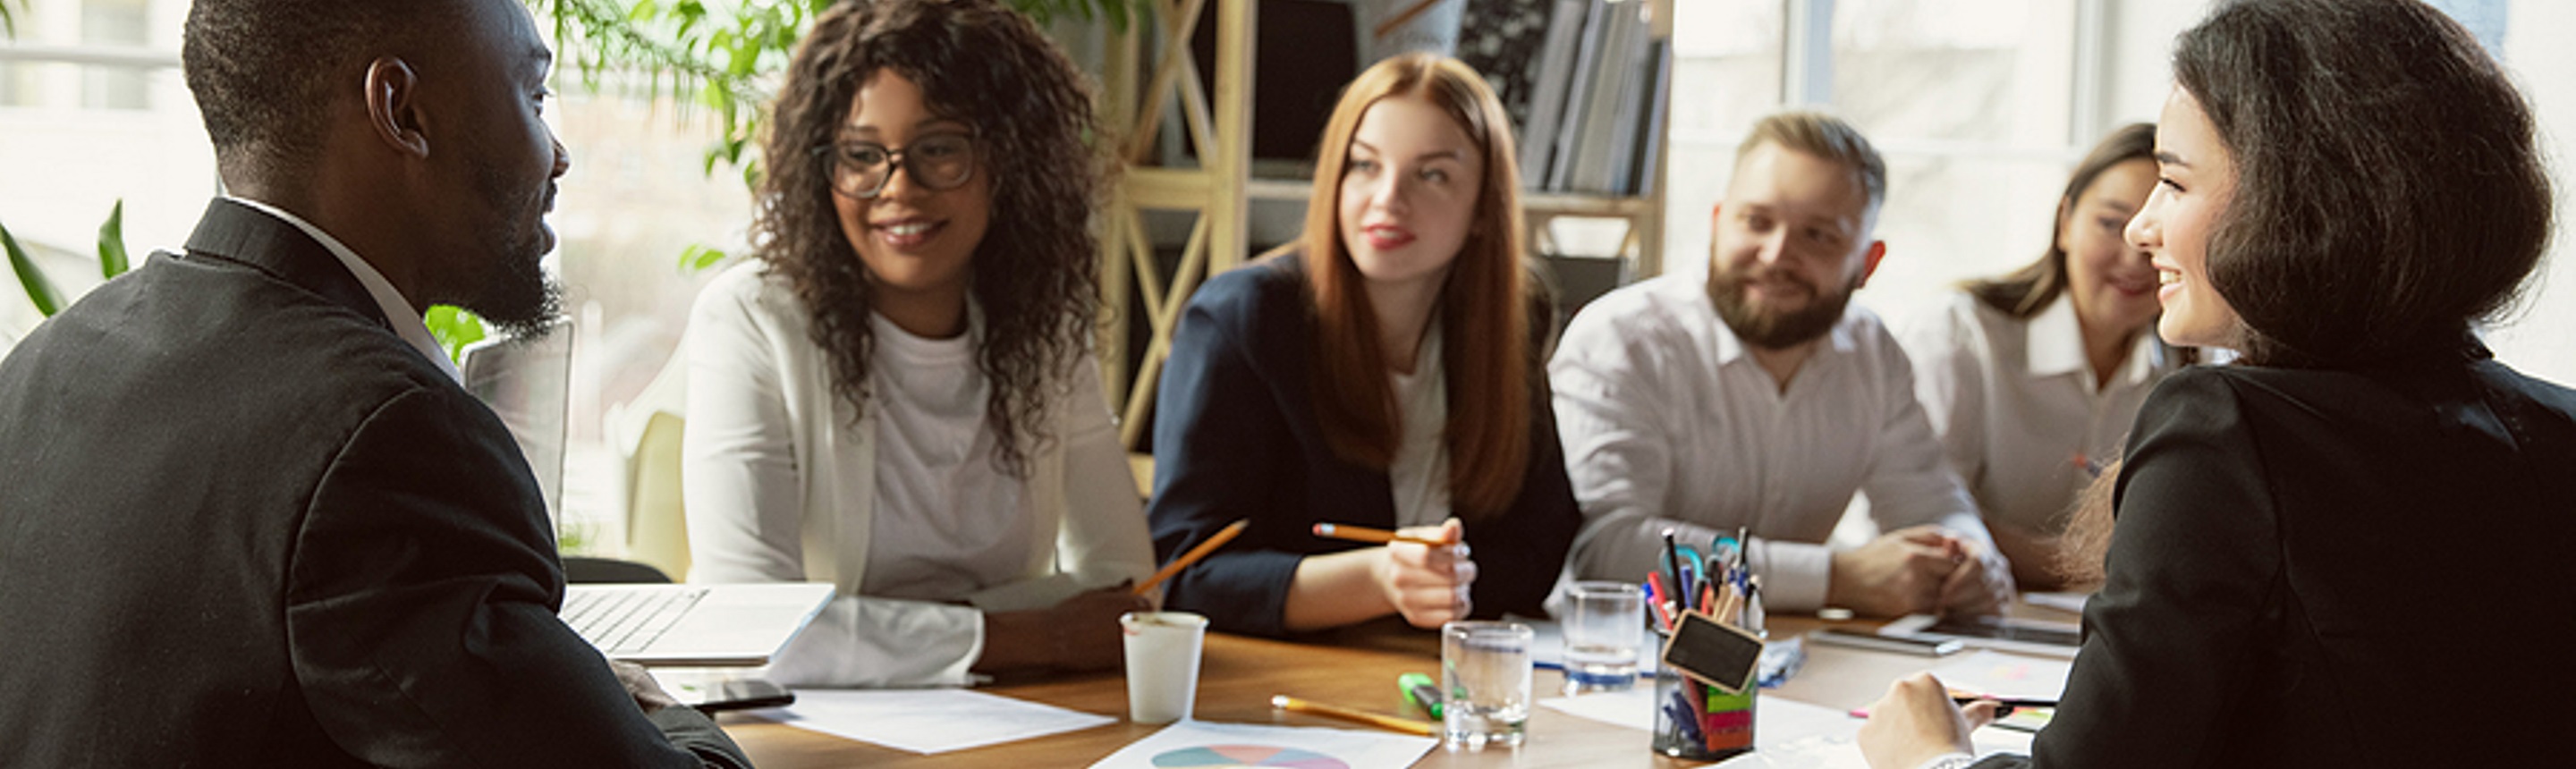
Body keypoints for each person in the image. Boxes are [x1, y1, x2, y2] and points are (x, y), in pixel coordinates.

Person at [0, 0, 749, 765]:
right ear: (402, 110)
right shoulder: (389, 437)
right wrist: (651, 703)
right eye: (534, 96)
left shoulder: (47, 363)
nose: (557, 155)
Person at [1859, 1, 2575, 766]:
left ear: (2297, 201)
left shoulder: (2227, 432)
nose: (2142, 228)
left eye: (2173, 181)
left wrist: (1928, 756)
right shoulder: (2558, 428)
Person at [681, 0, 1153, 688]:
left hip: (1007, 722)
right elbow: (751, 628)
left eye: (940, 150)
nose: (898, 188)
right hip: (805, 740)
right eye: (862, 156)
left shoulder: (1041, 324)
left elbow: (1127, 586)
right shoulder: (750, 319)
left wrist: (880, 631)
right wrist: (1032, 633)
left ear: (1007, 158)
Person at [1148, 53, 1581, 637]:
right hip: (1283, 683)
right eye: (1364, 166)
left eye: (1432, 174)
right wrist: (1378, 581)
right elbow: (1182, 574)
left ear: (1484, 208)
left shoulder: (1510, 316)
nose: (1388, 199)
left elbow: (1539, 540)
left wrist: (1446, 582)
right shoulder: (1242, 319)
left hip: (1436, 672)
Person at [1550, 111, 2013, 620]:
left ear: (1868, 263)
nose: (1776, 255)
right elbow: (1610, 552)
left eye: (1818, 236)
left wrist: (1973, 559)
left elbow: (1932, 504)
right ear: (1716, 221)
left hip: (1794, 661)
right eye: (1756, 221)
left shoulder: (1872, 351)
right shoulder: (1621, 339)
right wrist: (1837, 579)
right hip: (1619, 664)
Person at [1894, 123, 2182, 591]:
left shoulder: (2190, 367)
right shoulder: (1962, 334)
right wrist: (2072, 564)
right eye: (2111, 224)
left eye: (2159, 233)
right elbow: (1921, 511)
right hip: (1948, 609)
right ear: (2065, 222)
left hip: (2087, 626)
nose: (2134, 258)